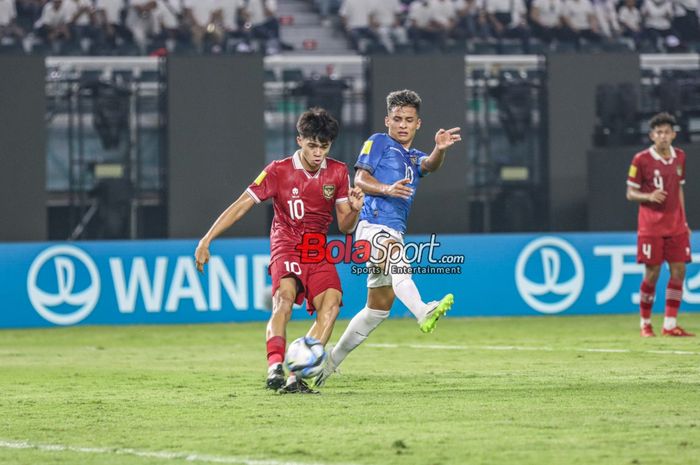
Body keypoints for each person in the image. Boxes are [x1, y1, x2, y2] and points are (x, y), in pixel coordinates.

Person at [194, 108, 364, 393]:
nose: (318, 152)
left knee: (331, 305)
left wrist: (355, 211)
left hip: (317, 248)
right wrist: (207, 239)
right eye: (312, 145)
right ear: (300, 140)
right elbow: (242, 205)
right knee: (283, 300)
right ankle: (274, 364)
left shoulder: (338, 172)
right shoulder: (278, 170)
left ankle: (297, 374)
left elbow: (346, 227)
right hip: (286, 243)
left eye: (324, 146)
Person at [315, 89, 461, 387]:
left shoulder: (413, 155)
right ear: (387, 120)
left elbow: (429, 165)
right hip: (370, 226)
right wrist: (386, 189)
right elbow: (360, 179)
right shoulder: (379, 142)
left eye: (409, 120)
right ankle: (422, 310)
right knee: (396, 254)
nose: (403, 125)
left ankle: (329, 364)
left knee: (377, 309)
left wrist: (440, 149)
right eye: (397, 119)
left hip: (392, 229)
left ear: (418, 124)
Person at [626, 112, 694, 338]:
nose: (663, 136)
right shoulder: (641, 159)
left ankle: (670, 324)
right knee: (652, 273)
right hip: (651, 227)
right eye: (658, 132)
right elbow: (630, 193)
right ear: (651, 135)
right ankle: (645, 324)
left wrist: (684, 221)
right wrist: (648, 196)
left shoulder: (680, 157)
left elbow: (680, 188)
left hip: (676, 226)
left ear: (673, 135)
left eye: (667, 132)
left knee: (679, 270)